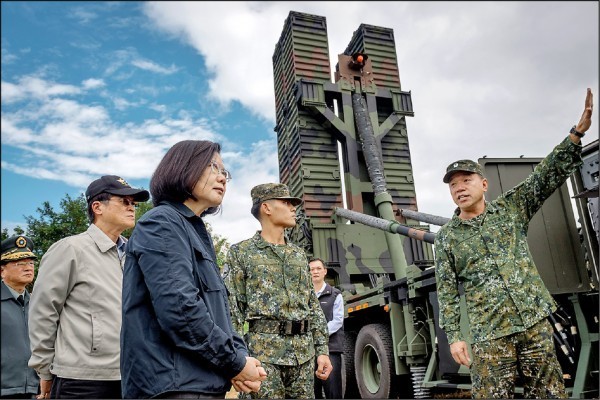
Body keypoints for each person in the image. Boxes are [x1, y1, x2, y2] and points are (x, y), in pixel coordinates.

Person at [434, 88, 594, 399]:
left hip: (533, 323)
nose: (459, 189)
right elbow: (448, 291)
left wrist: (576, 135)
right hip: (490, 335)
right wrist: (454, 336)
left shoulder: (510, 209)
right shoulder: (447, 239)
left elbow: (544, 177)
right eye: (453, 185)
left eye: (466, 181)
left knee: (549, 394)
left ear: (483, 183)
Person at [120, 140, 266, 399]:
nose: (223, 177)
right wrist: (234, 363)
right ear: (184, 167)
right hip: (173, 386)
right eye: (214, 167)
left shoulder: (195, 232)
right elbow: (180, 309)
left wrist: (240, 357)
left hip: (200, 382)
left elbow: (219, 312)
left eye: (225, 173)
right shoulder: (162, 223)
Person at [28, 175, 150, 399]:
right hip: (82, 380)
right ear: (97, 207)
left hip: (131, 375)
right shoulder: (69, 249)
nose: (131, 207)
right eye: (124, 201)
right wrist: (44, 370)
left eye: (133, 203)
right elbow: (43, 312)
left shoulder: (134, 254)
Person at [224, 183, 332, 399]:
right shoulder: (241, 253)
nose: (294, 208)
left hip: (303, 356)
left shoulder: (299, 255)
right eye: (286, 202)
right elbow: (232, 310)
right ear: (266, 208)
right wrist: (237, 358)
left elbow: (311, 305)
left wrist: (322, 350)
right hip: (263, 358)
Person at [1, 235, 40, 399]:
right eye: (20, 263)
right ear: (2, 270)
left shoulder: (38, 304)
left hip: (34, 391)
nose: (28, 268)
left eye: (31, 263)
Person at [309, 258, 344, 400]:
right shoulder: (303, 295)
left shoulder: (335, 294)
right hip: (308, 351)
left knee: (333, 392)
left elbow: (337, 321)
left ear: (325, 271)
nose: (315, 272)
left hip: (331, 349)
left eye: (318, 268)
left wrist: (317, 334)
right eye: (311, 269)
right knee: (312, 392)